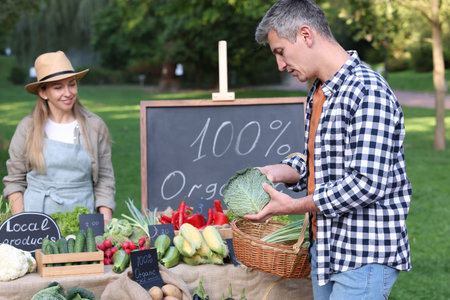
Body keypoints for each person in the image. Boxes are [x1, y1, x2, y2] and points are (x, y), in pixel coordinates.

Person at [245, 0, 412, 299]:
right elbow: (322, 163)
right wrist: (280, 171)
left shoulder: (367, 90)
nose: (280, 65)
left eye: (280, 52)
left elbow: (365, 184)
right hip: (327, 251)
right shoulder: (320, 90)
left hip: (364, 255)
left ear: (306, 35)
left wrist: (291, 206)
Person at [2, 51, 116, 221]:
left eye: (72, 84)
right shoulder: (28, 128)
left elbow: (105, 180)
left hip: (83, 218)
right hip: (37, 219)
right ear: (43, 93)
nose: (68, 93)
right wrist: (22, 223)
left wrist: (105, 222)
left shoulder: (94, 126)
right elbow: (15, 181)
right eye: (58, 87)